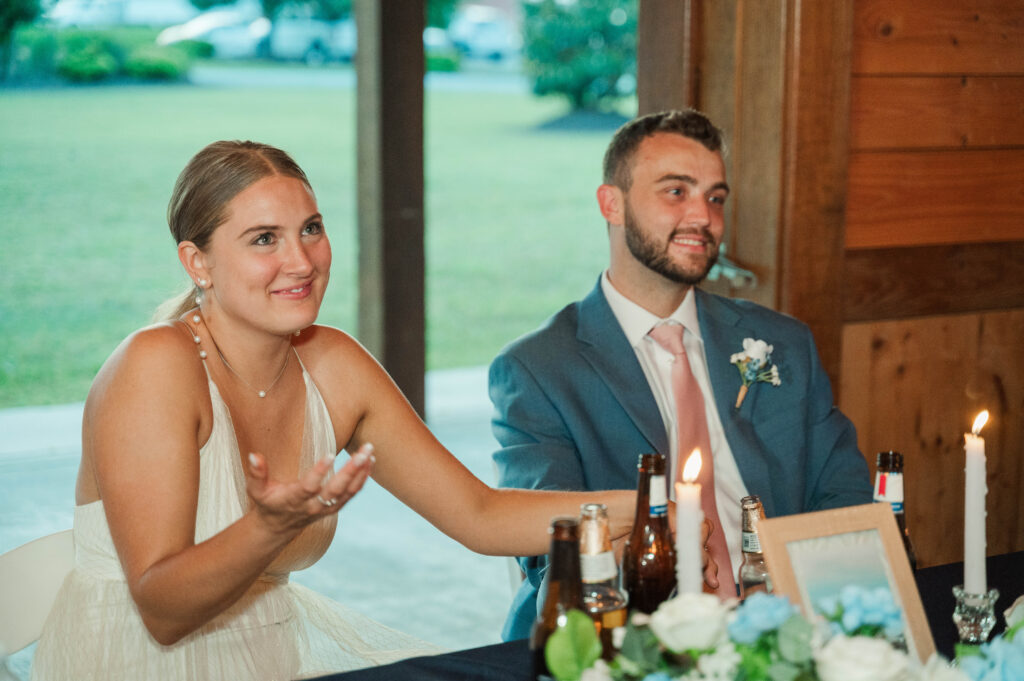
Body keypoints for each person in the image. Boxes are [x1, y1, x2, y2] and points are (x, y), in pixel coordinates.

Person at [30, 141, 639, 681]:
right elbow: (162, 610)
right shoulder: (156, 365)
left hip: (266, 657)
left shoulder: (333, 361)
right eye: (264, 239)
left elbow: (481, 516)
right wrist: (268, 527)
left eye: (311, 228)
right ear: (198, 263)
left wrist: (660, 504)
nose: (302, 261)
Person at [489, 109, 873, 640]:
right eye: (676, 192)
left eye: (715, 198)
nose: (704, 217)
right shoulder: (538, 369)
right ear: (612, 203)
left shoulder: (782, 343)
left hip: (789, 622)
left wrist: (796, 598)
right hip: (636, 636)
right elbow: (555, 553)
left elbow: (845, 491)